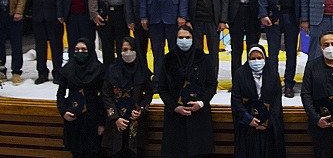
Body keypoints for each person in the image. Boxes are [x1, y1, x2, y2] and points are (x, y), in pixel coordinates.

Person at [157, 25, 217, 157]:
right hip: (175, 117)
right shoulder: (169, 59)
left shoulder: (203, 58)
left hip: (199, 116)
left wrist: (201, 103)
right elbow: (162, 87)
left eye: (187, 37)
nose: (184, 40)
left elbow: (212, 84)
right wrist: (175, 107)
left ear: (193, 39)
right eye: (181, 38)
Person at [102, 36, 154, 158]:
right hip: (115, 122)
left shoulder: (142, 70)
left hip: (136, 121)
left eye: (131, 49)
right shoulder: (112, 70)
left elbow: (149, 92)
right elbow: (106, 94)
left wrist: (141, 109)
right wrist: (115, 118)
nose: (128, 53)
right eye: (125, 50)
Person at [231, 45, 286, 158]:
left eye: (259, 58)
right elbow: (236, 99)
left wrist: (268, 122)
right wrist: (248, 119)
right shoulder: (240, 74)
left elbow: (276, 101)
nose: (256, 61)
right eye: (253, 59)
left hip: (268, 130)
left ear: (264, 58)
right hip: (247, 129)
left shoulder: (273, 74)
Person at [57, 38, 105, 158]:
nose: (80, 52)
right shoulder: (67, 69)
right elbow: (61, 93)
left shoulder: (99, 69)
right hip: (74, 117)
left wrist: (101, 122)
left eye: (84, 49)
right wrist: (63, 111)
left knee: (92, 152)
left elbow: (103, 97)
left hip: (92, 118)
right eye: (77, 49)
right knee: (76, 152)